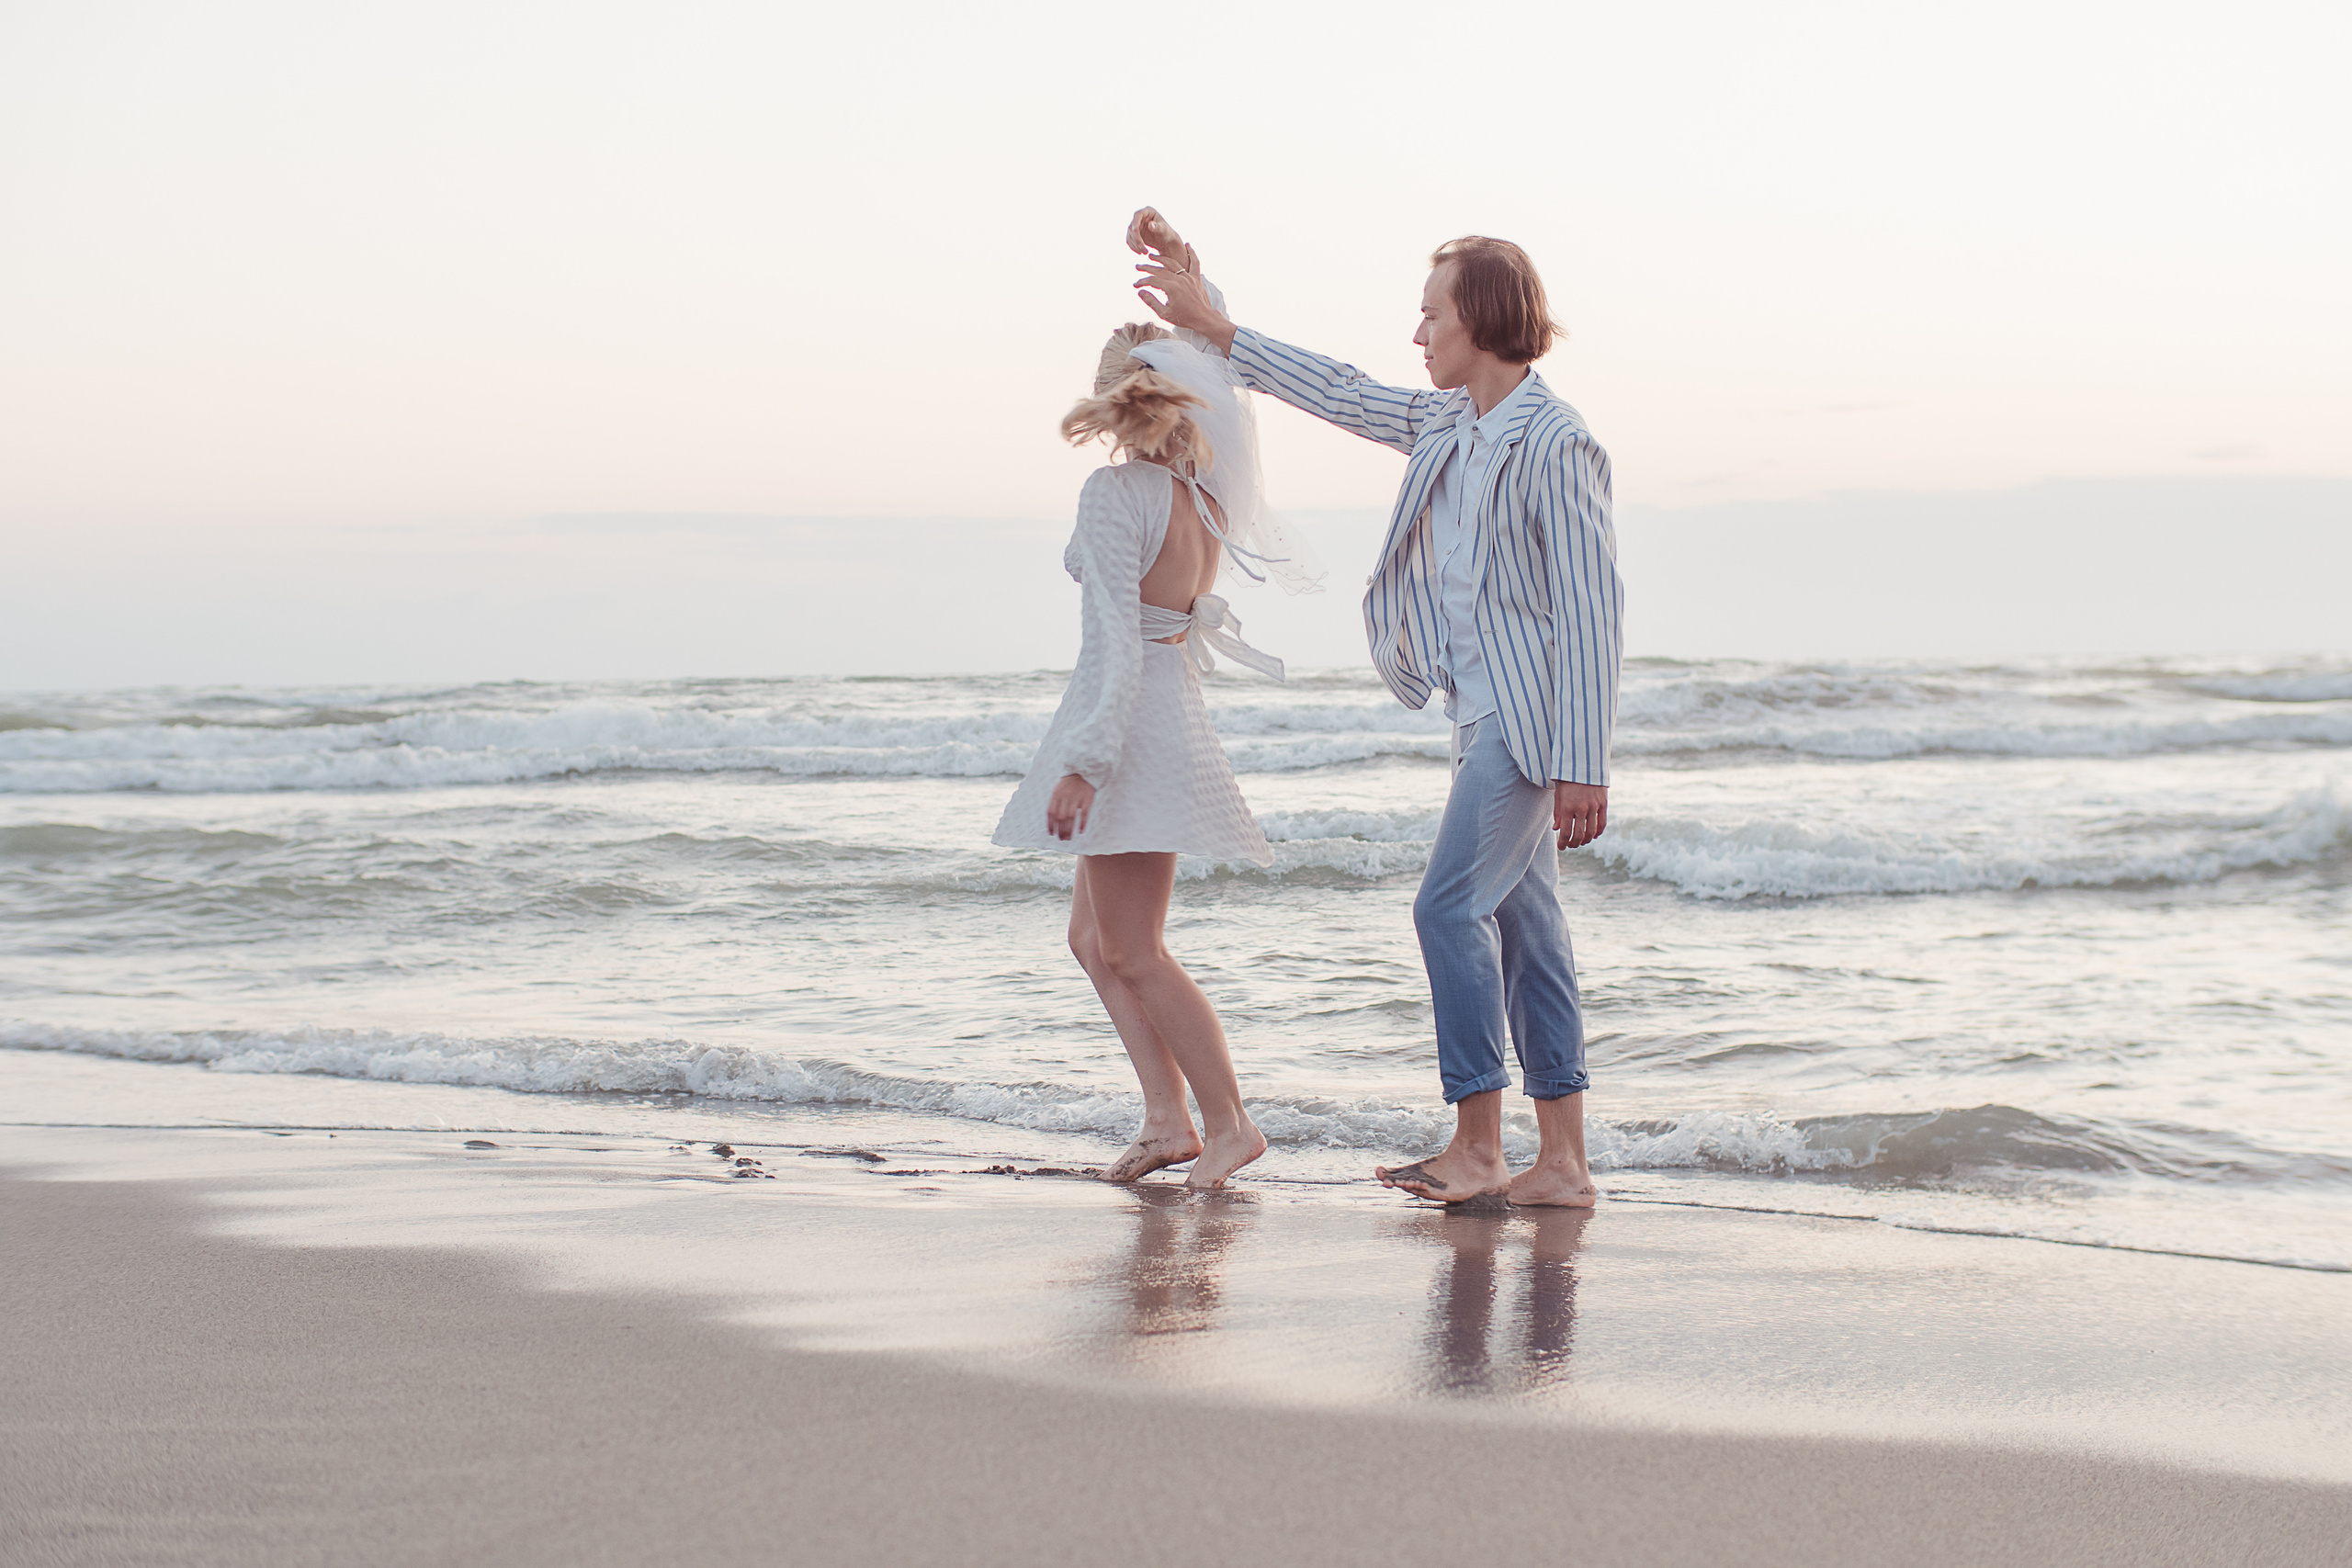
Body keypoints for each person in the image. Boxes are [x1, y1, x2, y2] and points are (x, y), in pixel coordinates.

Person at [1125, 208, 1623, 1208]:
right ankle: (1561, 1164)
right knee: (1529, 933)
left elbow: (1591, 612)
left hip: (1525, 727)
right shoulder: (1448, 424)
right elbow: (1338, 391)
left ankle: (1479, 1145)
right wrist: (1208, 309)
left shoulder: (1557, 443)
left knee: (1444, 908)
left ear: (1479, 319)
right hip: (1474, 715)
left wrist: (1585, 764)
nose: (1418, 334)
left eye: (1431, 314)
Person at [991, 313, 1316, 1190]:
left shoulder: (1115, 494)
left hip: (1128, 720)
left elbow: (1113, 639)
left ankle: (1229, 1124)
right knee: (1094, 938)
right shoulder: (1202, 498)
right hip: (1165, 708)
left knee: (1134, 947)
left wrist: (1085, 760)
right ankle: (1167, 1117)